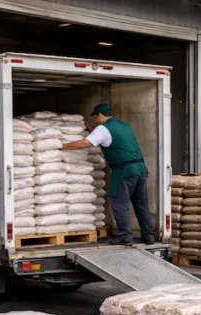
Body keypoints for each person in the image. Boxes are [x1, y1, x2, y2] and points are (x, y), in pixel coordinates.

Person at [61, 104, 155, 246]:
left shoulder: (103, 129)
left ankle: (125, 237)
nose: (96, 120)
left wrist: (62, 146)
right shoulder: (124, 125)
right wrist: (91, 130)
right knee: (141, 204)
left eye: (96, 117)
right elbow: (109, 139)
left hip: (124, 171)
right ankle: (148, 236)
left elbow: (84, 144)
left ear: (100, 115)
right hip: (140, 169)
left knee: (119, 204)